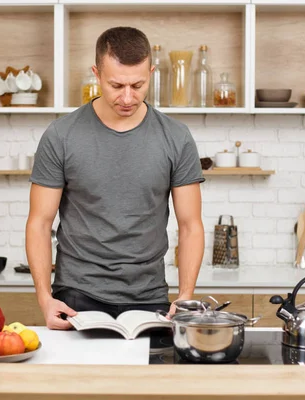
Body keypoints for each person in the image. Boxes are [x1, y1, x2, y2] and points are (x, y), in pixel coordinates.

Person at [26, 26, 205, 330]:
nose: (127, 97)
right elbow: (39, 223)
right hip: (76, 295)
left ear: (150, 72)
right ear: (96, 74)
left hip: (150, 296)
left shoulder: (177, 137)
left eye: (138, 85)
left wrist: (185, 295)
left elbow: (190, 226)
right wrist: (44, 297)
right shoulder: (61, 136)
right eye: (116, 85)